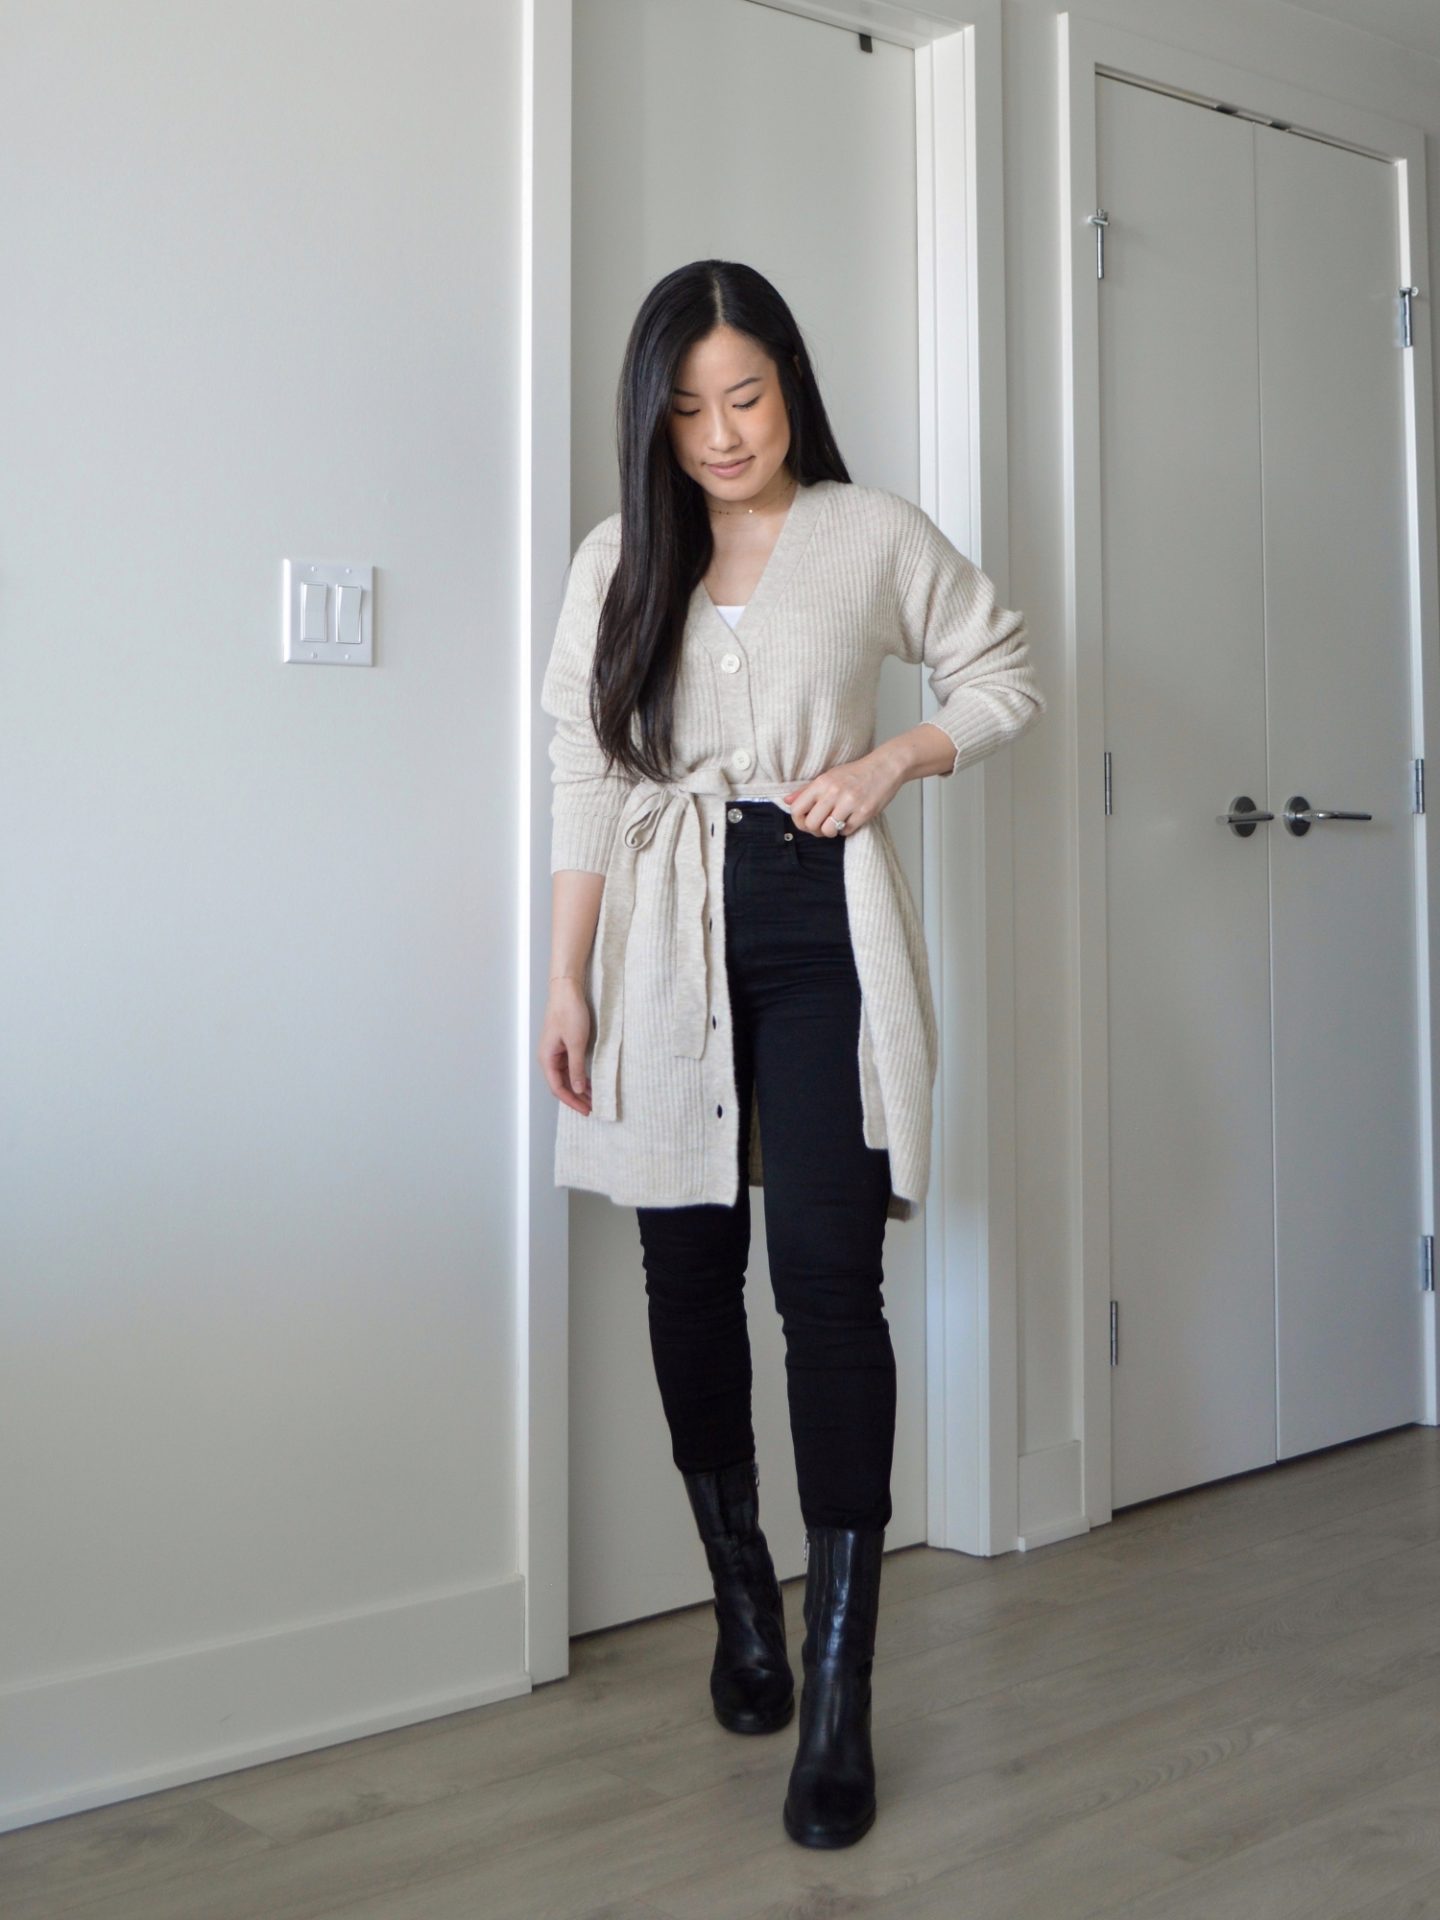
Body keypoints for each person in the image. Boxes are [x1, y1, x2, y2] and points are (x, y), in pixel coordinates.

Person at [536, 259, 1046, 1849]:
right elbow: (583, 775)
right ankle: (741, 1600)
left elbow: (1004, 668)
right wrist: (564, 978)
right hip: (658, 935)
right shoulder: (620, 556)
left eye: (743, 397)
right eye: (686, 409)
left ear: (790, 386)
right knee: (685, 1268)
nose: (719, 433)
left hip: (820, 926)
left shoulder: (870, 532)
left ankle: (838, 1688)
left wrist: (897, 756)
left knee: (828, 1280)